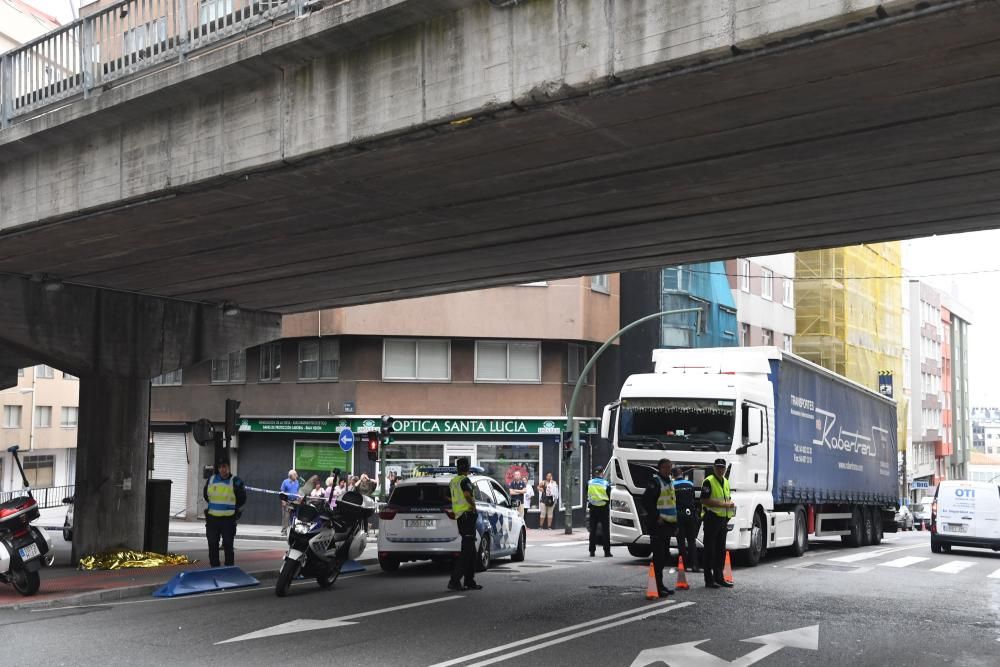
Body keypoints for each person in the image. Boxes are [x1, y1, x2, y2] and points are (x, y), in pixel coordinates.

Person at [641, 458, 676, 597]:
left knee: (665, 555)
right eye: (665, 467)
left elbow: (672, 504)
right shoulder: (655, 482)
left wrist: (675, 525)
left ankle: (660, 585)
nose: (668, 470)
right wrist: (656, 516)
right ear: (660, 469)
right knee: (659, 556)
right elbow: (646, 501)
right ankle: (657, 586)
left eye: (669, 467)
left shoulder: (670, 482)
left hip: (668, 524)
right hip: (658, 524)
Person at [203, 458, 246, 568]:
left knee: (228, 544)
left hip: (228, 519)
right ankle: (214, 568)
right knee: (212, 544)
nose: (222, 469)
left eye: (224, 467)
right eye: (220, 467)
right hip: (213, 519)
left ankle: (229, 568)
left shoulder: (236, 481)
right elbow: (206, 496)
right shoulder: (211, 480)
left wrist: (231, 507)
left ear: (229, 467)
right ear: (218, 468)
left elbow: (242, 499)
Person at [447, 457, 482, 592]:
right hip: (467, 516)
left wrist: (457, 504)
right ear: (468, 468)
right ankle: (454, 581)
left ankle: (469, 580)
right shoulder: (465, 480)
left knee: (471, 551)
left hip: (460, 516)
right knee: (467, 551)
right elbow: (467, 494)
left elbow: (448, 496)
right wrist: (473, 506)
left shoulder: (453, 481)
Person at [701, 458, 736, 589]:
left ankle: (719, 578)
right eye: (718, 467)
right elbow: (704, 500)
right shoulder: (708, 481)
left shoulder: (726, 481)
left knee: (720, 551)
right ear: (714, 468)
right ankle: (708, 580)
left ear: (725, 469)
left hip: (722, 520)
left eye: (722, 468)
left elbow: (727, 498)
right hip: (711, 518)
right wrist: (724, 504)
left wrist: (729, 509)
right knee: (709, 551)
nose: (720, 470)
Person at [672, 466, 700, 573]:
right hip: (690, 515)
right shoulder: (690, 484)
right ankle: (695, 565)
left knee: (681, 541)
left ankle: (683, 565)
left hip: (679, 515)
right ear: (682, 474)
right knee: (691, 541)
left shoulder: (672, 485)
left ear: (673, 475)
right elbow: (693, 498)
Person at [587, 466, 612, 558]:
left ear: (595, 473)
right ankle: (607, 552)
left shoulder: (589, 483)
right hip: (603, 509)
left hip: (593, 508)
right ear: (602, 473)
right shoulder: (606, 483)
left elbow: (588, 494)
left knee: (592, 530)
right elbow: (610, 496)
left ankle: (592, 551)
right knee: (605, 530)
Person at [279, 469, 299, 536]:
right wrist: (283, 501)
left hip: (295, 502)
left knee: (294, 517)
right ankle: (284, 531)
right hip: (287, 502)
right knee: (286, 517)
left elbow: (298, 491)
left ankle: (294, 532)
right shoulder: (285, 482)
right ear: (291, 475)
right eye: (295, 474)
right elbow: (282, 492)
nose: (297, 476)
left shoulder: (297, 482)